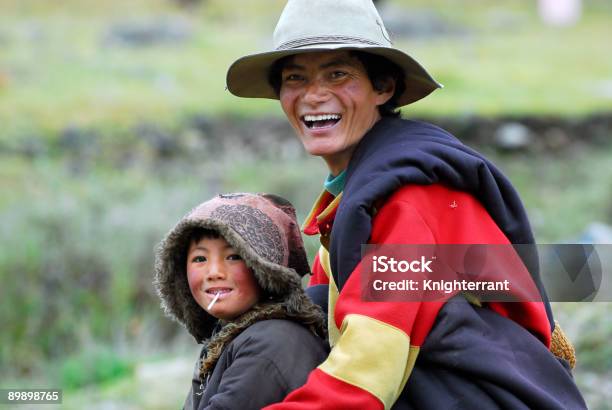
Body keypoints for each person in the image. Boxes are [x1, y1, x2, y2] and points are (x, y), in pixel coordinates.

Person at [225, 0, 587, 408]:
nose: (314, 95)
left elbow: (365, 375)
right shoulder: (354, 196)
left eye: (337, 74)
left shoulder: (407, 201)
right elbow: (317, 313)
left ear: (384, 88)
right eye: (295, 78)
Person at [154, 193, 328, 410]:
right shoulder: (227, 335)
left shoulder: (271, 342)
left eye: (234, 256)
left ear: (265, 268)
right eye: (200, 259)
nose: (214, 272)